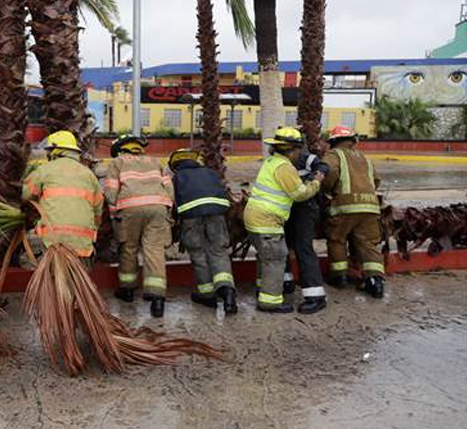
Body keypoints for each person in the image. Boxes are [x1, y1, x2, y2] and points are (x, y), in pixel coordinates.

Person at [244, 127, 324, 313]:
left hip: (254, 218)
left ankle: (263, 290)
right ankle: (270, 302)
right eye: (298, 150)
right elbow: (299, 194)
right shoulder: (285, 167)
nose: (300, 154)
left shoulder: (271, 162)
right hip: (267, 221)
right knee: (275, 258)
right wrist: (316, 182)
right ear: (293, 149)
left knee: (265, 256)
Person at [105, 134, 174, 318]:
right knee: (154, 250)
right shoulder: (155, 161)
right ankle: (157, 298)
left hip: (129, 209)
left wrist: (115, 214)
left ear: (121, 149)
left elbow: (111, 193)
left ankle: (127, 291)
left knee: (128, 247)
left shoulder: (117, 162)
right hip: (158, 208)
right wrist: (165, 207)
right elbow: (169, 189)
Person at [169, 148, 237, 314]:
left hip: (191, 218)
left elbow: (173, 202)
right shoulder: (210, 172)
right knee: (219, 252)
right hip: (217, 215)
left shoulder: (177, 177)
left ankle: (207, 295)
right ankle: (228, 293)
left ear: (176, 165)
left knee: (198, 254)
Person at [322, 126, 385, 298]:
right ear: (353, 141)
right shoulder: (365, 158)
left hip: (344, 208)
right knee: (368, 244)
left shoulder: (334, 155)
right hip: (371, 208)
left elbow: (328, 175)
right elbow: (377, 180)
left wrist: (326, 190)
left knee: (337, 239)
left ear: (332, 142)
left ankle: (340, 277)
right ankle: (375, 282)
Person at [22, 130, 104, 261]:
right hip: (82, 244)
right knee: (79, 280)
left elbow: (25, 194)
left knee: (37, 267)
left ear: (55, 151)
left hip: (53, 243)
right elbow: (98, 211)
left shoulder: (45, 171)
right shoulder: (88, 175)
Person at [282, 144, 330, 314]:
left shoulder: (308, 159)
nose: (283, 152)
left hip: (304, 208)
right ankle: (286, 282)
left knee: (303, 248)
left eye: (286, 148)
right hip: (285, 209)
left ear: (296, 148)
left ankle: (315, 296)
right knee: (283, 247)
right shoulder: (279, 161)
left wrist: (314, 179)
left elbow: (323, 167)